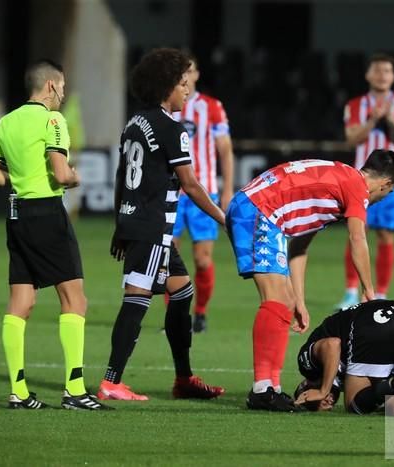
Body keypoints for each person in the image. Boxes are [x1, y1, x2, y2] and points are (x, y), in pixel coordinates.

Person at [226, 150, 394, 411]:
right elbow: (358, 239)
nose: (381, 199)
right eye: (388, 193)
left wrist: (299, 299)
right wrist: (369, 291)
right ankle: (262, 389)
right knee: (275, 299)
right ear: (386, 184)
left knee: (284, 302)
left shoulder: (338, 182)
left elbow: (298, 246)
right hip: (259, 210)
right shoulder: (356, 187)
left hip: (256, 208)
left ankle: (271, 388)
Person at [0, 59, 111, 410]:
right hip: (47, 214)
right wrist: (74, 177)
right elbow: (61, 172)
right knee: (75, 300)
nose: (64, 93)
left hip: (17, 213)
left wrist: (18, 180)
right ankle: (75, 390)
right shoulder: (53, 120)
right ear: (51, 85)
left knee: (21, 302)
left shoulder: (7, 122)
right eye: (63, 86)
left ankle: (18, 392)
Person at [97, 48, 226, 401]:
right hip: (153, 226)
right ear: (166, 86)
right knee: (137, 297)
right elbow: (191, 184)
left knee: (182, 291)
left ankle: (183, 379)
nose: (187, 90)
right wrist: (224, 219)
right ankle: (111, 382)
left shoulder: (135, 122)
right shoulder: (172, 128)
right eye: (182, 84)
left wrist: (120, 225)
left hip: (142, 225)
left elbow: (123, 177)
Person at [337, 53, 394, 310]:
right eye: (377, 70)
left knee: (385, 236)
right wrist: (373, 119)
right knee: (356, 232)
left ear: (393, 77)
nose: (382, 75)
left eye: (387, 71)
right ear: (368, 75)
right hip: (360, 179)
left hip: (393, 182)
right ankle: (351, 291)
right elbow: (351, 141)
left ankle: (381, 293)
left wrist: (390, 118)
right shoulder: (355, 105)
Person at [293, 299, 394, 417]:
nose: (327, 401)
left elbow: (332, 345)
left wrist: (322, 390)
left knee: (354, 406)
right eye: (327, 405)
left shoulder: (307, 365)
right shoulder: (340, 376)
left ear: (306, 385)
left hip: (375, 321)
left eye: (316, 402)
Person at [168, 55, 235, 333]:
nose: (186, 75)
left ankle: (201, 313)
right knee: (167, 258)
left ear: (196, 75)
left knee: (202, 259)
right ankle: (174, 317)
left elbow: (225, 150)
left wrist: (228, 189)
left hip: (203, 192)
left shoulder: (212, 107)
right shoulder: (166, 106)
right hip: (171, 192)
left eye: (190, 70)